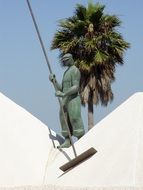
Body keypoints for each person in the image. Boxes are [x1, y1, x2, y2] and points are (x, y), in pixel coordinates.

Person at [49, 53, 85, 148]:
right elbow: (61, 89)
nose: (64, 62)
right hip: (65, 100)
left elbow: (76, 87)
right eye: (63, 61)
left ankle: (81, 139)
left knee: (74, 118)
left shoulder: (75, 70)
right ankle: (68, 141)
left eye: (65, 60)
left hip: (73, 99)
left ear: (71, 59)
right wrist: (54, 81)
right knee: (63, 119)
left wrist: (64, 94)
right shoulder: (66, 73)